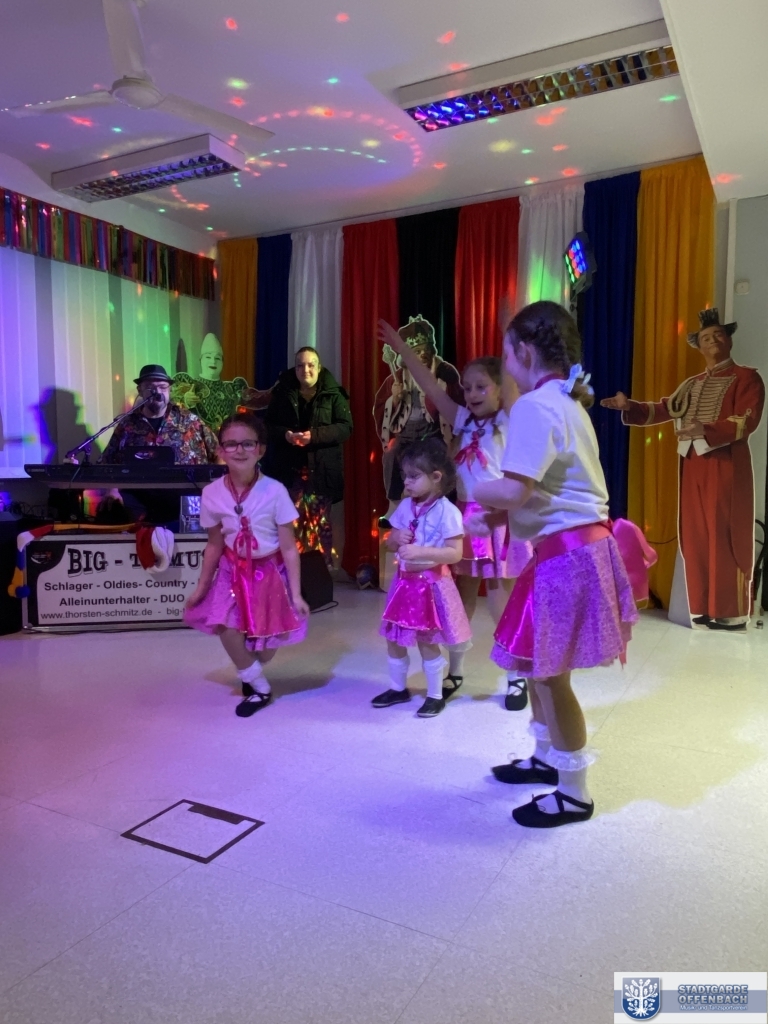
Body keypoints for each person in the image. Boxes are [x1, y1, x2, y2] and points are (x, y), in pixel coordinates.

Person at [475, 301, 646, 829]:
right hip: (569, 550)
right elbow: (544, 491)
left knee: (550, 676)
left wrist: (474, 490)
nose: (506, 365)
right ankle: (546, 757)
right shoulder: (566, 403)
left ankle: (574, 793)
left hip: (566, 555)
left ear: (525, 352)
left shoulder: (535, 406)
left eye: (507, 355)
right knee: (536, 663)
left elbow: (514, 489)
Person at [377, 319, 532, 711]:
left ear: (500, 388)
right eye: (466, 387)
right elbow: (430, 386)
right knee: (457, 601)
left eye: (481, 386)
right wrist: (401, 348)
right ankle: (455, 671)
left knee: (500, 599)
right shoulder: (462, 419)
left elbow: (513, 383)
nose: (472, 393)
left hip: (496, 519)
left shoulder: (508, 419)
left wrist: (510, 336)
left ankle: (516, 676)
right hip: (463, 518)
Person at [601, 308, 765, 632]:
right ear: (698, 346)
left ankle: (729, 611)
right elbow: (664, 409)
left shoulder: (747, 378)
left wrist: (706, 429)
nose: (713, 340)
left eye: (718, 334)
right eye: (706, 337)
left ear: (728, 340)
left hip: (726, 464)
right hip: (692, 464)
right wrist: (629, 406)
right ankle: (703, 607)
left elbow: (747, 419)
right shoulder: (691, 384)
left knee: (725, 534)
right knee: (695, 535)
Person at [184, 413, 309, 716]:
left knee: (264, 650)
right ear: (221, 450)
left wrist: (295, 594)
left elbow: (289, 548)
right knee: (226, 626)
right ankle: (259, 687)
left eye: (247, 444)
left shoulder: (275, 491)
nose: (239, 450)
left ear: (260, 450)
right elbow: (214, 545)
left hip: (268, 573)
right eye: (231, 444)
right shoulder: (211, 494)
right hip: (232, 571)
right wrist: (201, 587)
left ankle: (252, 669)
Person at [373, 438, 472, 718]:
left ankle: (435, 695)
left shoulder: (448, 512)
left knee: (427, 640)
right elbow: (390, 543)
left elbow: (455, 553)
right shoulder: (406, 506)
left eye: (414, 476)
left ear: (436, 477)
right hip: (403, 585)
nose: (406, 482)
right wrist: (395, 538)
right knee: (394, 638)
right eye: (405, 475)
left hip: (430, 585)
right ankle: (397, 688)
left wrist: (421, 551)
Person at [263, 347, 352, 565]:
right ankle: (290, 574)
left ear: (319, 368)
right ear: (295, 369)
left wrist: (314, 436)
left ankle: (319, 575)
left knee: (319, 527)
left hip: (320, 474)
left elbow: (345, 428)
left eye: (311, 365)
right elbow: (267, 428)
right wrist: (286, 435)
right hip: (289, 474)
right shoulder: (282, 393)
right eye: (300, 365)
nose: (306, 370)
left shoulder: (334, 394)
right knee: (290, 526)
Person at [99, 364, 219, 525]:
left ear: (169, 390)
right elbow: (108, 462)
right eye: (150, 388)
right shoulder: (127, 424)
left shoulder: (190, 421)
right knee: (110, 510)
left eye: (163, 387)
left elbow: (219, 452)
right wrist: (112, 490)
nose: (157, 392)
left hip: (182, 492)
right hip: (140, 495)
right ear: (140, 390)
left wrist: (218, 489)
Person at [374, 315, 463, 504]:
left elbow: (457, 403)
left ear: (431, 350)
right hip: (405, 434)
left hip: (433, 433)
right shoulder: (397, 377)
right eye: (416, 351)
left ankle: (442, 500)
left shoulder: (444, 373)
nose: (422, 355)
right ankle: (395, 503)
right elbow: (381, 409)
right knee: (391, 454)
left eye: (425, 350)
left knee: (441, 457)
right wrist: (395, 399)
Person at [172, 333, 272, 431]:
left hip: (228, 439)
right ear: (201, 360)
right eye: (208, 357)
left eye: (217, 358)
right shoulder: (190, 386)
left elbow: (260, 400)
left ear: (222, 362)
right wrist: (185, 401)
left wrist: (278, 388)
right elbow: (170, 405)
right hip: (199, 439)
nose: (213, 361)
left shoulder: (232, 389)